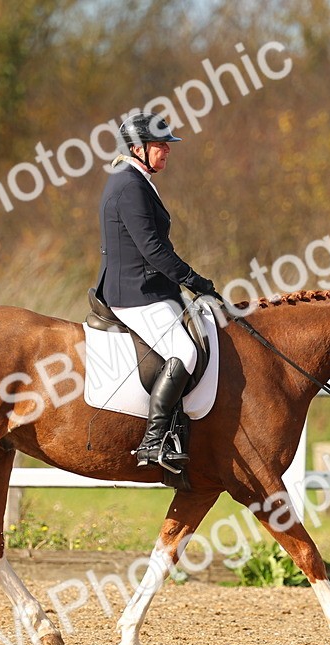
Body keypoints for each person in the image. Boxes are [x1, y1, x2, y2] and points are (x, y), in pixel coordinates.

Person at [95, 112, 218, 473]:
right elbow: (153, 250)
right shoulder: (129, 184)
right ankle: (153, 441)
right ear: (138, 148)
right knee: (184, 351)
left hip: (150, 287)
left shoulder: (136, 178)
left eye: (167, 145)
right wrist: (195, 280)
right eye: (160, 145)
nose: (167, 151)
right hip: (135, 291)